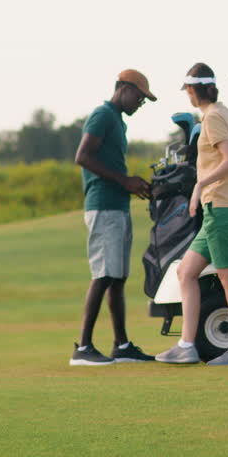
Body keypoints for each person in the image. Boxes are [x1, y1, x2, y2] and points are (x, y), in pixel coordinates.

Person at [156, 62, 228, 365]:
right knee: (186, 272)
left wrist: (200, 184)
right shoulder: (227, 114)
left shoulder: (213, 118)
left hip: (223, 210)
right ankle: (187, 345)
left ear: (192, 89)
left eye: (186, 90)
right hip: (222, 209)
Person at [69, 69, 157, 366]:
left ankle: (121, 345)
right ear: (123, 88)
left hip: (117, 204)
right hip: (104, 204)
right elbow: (83, 156)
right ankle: (83, 348)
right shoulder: (103, 115)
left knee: (117, 276)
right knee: (104, 274)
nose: (140, 104)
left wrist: (132, 185)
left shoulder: (117, 121)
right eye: (139, 97)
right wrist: (124, 181)